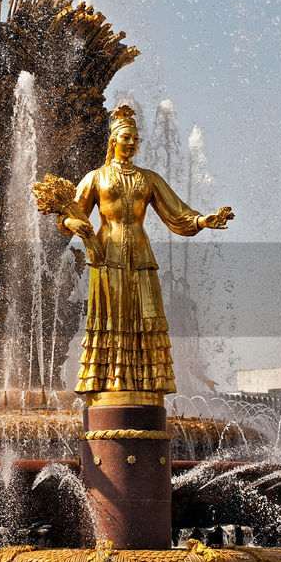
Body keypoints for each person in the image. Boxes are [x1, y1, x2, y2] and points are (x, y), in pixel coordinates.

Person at [60, 105, 232, 396]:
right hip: (106, 255)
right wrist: (71, 222)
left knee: (145, 313)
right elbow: (69, 214)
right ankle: (109, 380)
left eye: (136, 138)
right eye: (126, 137)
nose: (132, 143)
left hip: (141, 256)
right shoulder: (96, 177)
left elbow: (175, 212)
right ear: (113, 141)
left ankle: (146, 381)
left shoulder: (148, 179)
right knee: (112, 316)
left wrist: (203, 220)